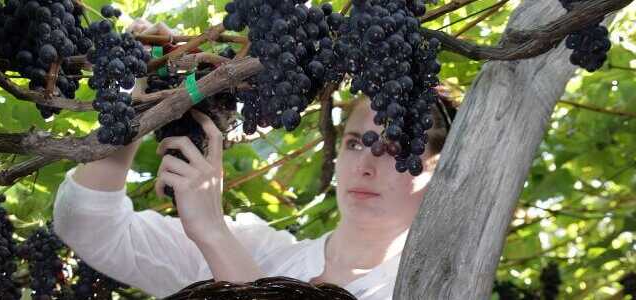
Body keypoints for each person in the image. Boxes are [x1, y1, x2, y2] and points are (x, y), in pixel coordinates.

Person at [51, 89, 457, 299]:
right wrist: (138, 98)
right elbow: (88, 224)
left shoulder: (427, 291)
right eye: (354, 143)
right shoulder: (261, 250)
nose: (365, 165)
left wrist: (213, 232)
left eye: (393, 149)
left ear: (443, 171)